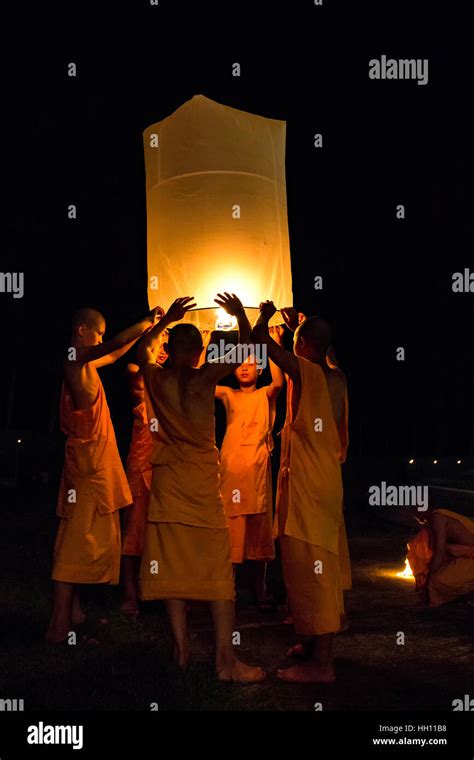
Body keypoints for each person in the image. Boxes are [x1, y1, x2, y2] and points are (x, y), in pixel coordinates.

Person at [138, 293, 266, 683]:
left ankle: (181, 651)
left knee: (172, 565)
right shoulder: (204, 376)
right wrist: (241, 314)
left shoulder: (154, 376)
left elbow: (142, 346)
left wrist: (165, 321)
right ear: (197, 352)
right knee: (216, 569)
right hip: (196, 484)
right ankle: (225, 661)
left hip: (169, 483)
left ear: (169, 349)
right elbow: (251, 349)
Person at [46, 306, 160, 643]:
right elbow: (112, 346)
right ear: (82, 330)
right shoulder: (73, 358)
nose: (100, 340)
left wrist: (144, 333)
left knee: (83, 536)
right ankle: (58, 627)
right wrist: (147, 321)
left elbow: (114, 351)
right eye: (97, 333)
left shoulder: (86, 364)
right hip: (86, 466)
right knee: (73, 542)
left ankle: (75, 613)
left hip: (90, 462)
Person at [252, 302, 344, 683]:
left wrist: (261, 315)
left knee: (313, 571)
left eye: (295, 341)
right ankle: (311, 644)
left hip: (309, 485)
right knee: (315, 567)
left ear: (302, 344)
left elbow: (259, 342)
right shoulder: (336, 375)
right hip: (326, 483)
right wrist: (300, 328)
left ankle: (322, 665)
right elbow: (323, 351)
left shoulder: (305, 371)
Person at [216, 327, 284, 609]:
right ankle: (225, 588)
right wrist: (211, 339)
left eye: (251, 364)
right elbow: (200, 380)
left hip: (257, 470)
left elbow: (279, 382)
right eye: (240, 364)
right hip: (231, 470)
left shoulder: (266, 394)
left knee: (259, 531)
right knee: (230, 527)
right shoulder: (228, 395)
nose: (245, 368)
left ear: (259, 368)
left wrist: (275, 343)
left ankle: (260, 588)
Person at [120, 331, 168, 617]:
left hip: (168, 461)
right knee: (133, 529)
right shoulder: (137, 372)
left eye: (168, 342)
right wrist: (159, 327)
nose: (163, 348)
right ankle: (129, 594)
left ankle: (163, 590)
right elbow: (138, 367)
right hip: (141, 459)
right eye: (158, 342)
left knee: (164, 529)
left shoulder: (173, 377)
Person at [408, 507, 474, 606]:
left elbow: (440, 552)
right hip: (467, 557)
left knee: (436, 581)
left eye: (415, 509)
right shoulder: (434, 521)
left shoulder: (438, 519)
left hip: (471, 558)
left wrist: (429, 580)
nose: (414, 515)